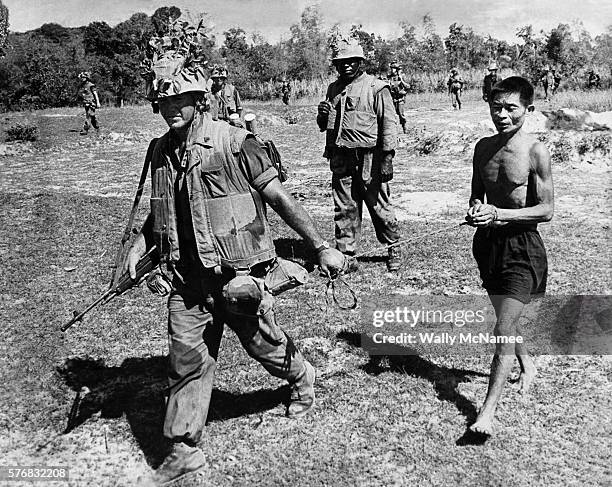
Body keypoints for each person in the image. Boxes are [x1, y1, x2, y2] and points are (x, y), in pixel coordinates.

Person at [133, 19, 346, 485]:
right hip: (186, 281)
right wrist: (141, 244)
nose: (169, 107)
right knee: (185, 360)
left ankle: (300, 376)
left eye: (178, 98)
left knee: (261, 345)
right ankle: (185, 449)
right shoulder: (160, 151)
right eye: (162, 100)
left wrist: (321, 246)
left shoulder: (234, 142)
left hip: (238, 276)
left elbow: (279, 199)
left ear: (199, 97)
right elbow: (163, 209)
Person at [465, 76, 554, 436]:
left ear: (528, 110)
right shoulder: (482, 148)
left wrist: (501, 214)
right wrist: (476, 212)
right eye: (495, 107)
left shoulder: (536, 151)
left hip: (522, 247)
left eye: (510, 108)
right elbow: (476, 197)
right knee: (505, 317)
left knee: (502, 328)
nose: (501, 115)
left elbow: (546, 210)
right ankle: (526, 364)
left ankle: (486, 413)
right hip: (488, 246)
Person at [317, 36, 402, 273]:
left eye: (351, 61)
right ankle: (347, 254)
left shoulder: (377, 87)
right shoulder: (333, 89)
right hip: (341, 158)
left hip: (370, 159)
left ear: (359, 62)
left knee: (379, 206)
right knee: (345, 207)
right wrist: (322, 114)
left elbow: (388, 124)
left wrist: (387, 159)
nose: (345, 65)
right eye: (340, 62)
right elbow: (325, 125)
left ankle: (394, 247)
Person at [389, 61, 410, 134]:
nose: (392, 70)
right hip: (392, 99)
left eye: (394, 68)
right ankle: (393, 130)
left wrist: (401, 80)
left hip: (400, 99)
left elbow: (408, 86)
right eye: (391, 68)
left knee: (401, 114)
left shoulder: (401, 77)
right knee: (391, 115)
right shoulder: (389, 78)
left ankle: (404, 127)